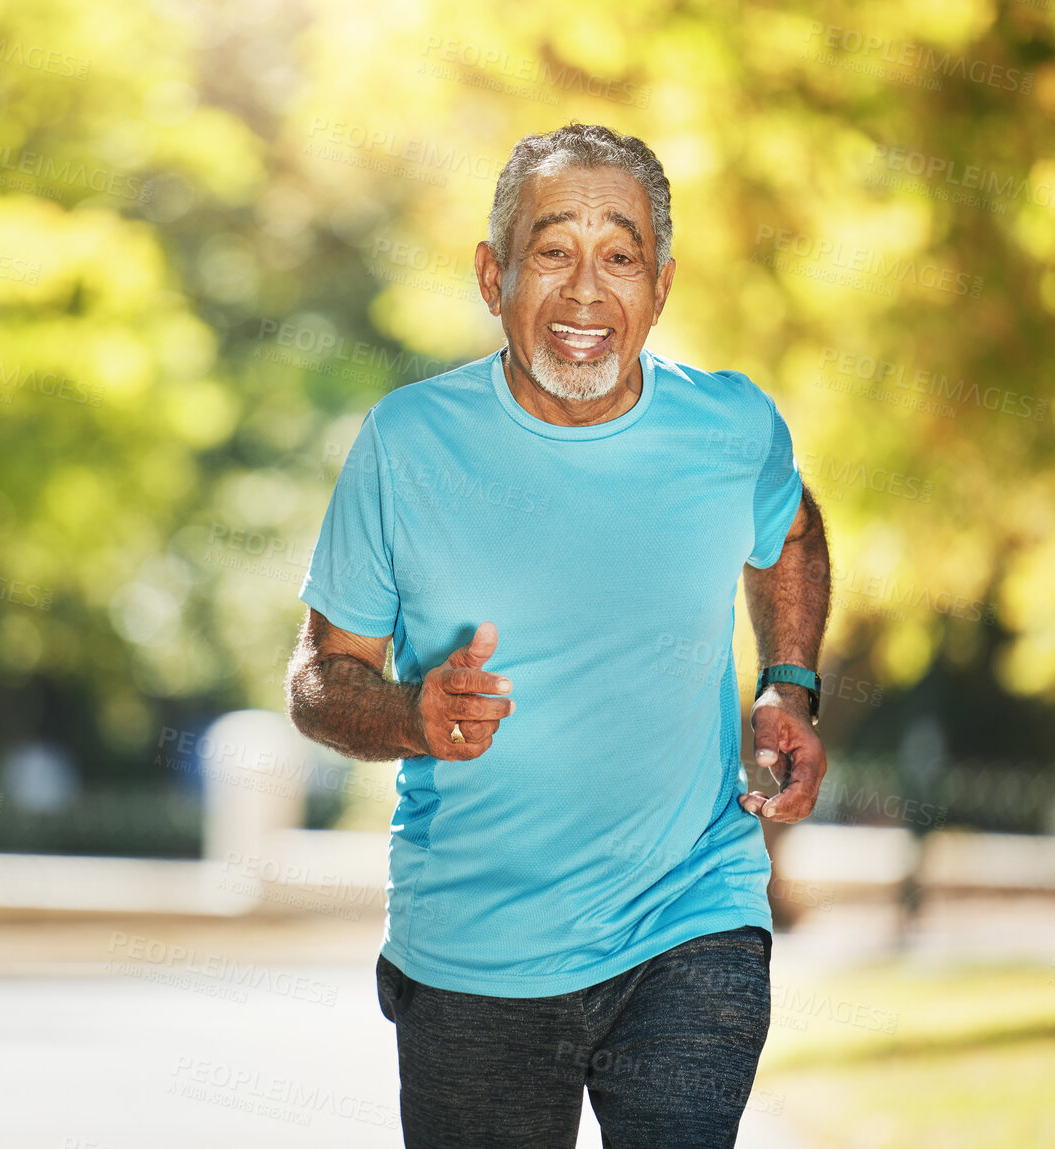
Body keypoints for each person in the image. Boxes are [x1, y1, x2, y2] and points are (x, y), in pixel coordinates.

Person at [285, 123, 831, 1148]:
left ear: (660, 286)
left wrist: (789, 684)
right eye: (552, 253)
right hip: (475, 954)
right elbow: (321, 678)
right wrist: (411, 713)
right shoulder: (407, 444)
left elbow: (790, 530)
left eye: (619, 256)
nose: (586, 293)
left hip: (692, 919)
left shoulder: (731, 427)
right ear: (493, 277)